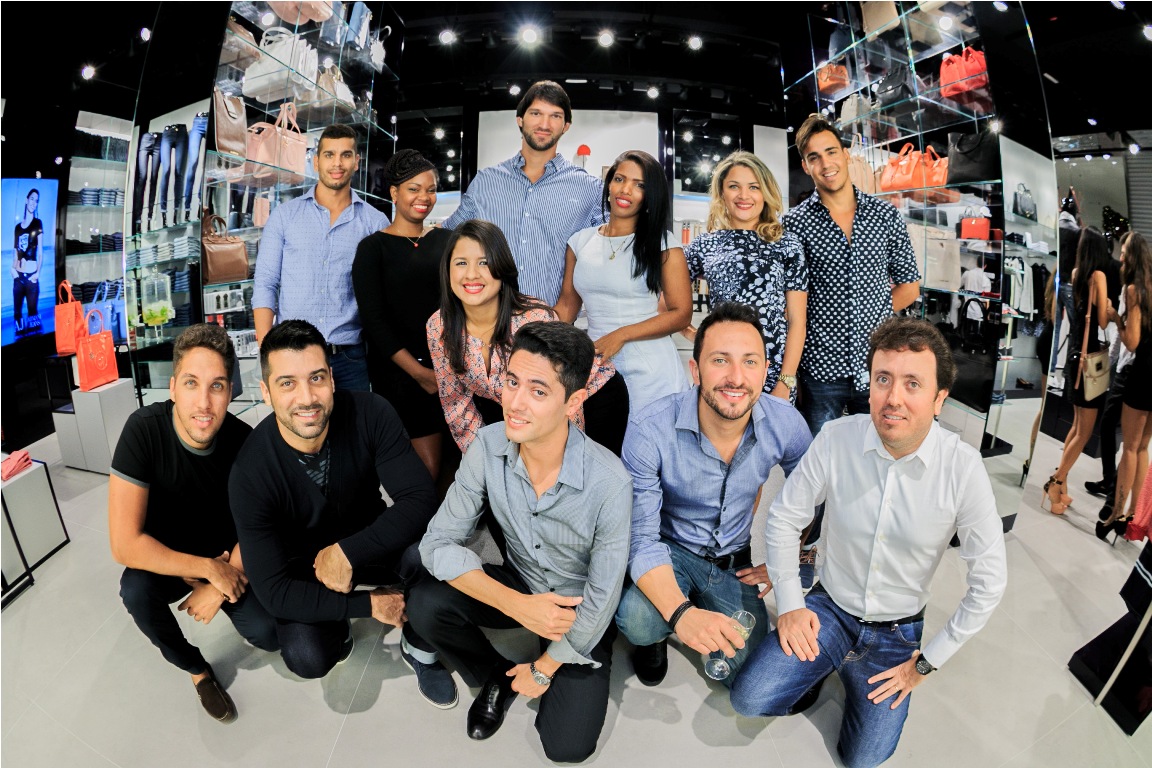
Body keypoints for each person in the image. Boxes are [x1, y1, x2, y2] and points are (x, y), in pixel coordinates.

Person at [731, 317, 1007, 768]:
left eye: (913, 383)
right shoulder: (838, 438)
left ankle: (835, 672)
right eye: (883, 379)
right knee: (749, 698)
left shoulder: (962, 468)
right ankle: (817, 667)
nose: (893, 397)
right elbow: (783, 519)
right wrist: (792, 604)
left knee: (863, 759)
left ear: (939, 399)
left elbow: (989, 583)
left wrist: (926, 663)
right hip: (830, 607)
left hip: (896, 632)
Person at [409, 322, 632, 761]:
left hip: (575, 611)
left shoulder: (610, 483)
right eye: (512, 382)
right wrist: (517, 605)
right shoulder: (487, 446)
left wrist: (545, 668)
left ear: (573, 402)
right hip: (520, 582)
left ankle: (540, 667)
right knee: (425, 602)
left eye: (538, 390)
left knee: (566, 747)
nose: (515, 403)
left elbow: (603, 597)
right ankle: (496, 674)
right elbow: (435, 544)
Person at [228, 320, 456, 707]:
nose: (306, 398)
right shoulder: (249, 472)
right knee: (307, 657)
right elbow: (275, 593)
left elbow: (420, 499)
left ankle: (418, 646)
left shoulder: (370, 412)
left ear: (332, 379)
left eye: (316, 378)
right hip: (307, 569)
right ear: (266, 392)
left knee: (434, 554)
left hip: (370, 542)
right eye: (287, 383)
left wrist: (347, 552)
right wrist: (367, 606)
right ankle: (337, 623)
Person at [615, 302, 812, 687]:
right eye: (720, 360)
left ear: (765, 371)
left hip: (733, 560)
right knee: (638, 620)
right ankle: (658, 633)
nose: (736, 377)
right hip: (670, 549)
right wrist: (681, 616)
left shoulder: (786, 424)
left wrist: (785, 561)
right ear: (696, 370)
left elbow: (813, 498)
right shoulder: (650, 428)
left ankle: (695, 605)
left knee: (746, 675)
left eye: (750, 362)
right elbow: (640, 538)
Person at [109, 324, 278, 723]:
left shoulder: (245, 443)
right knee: (135, 590)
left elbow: (263, 526)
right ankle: (196, 669)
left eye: (216, 386)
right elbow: (124, 544)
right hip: (170, 558)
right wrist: (204, 569)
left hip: (228, 556)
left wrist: (220, 581)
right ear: (172, 388)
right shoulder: (143, 431)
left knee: (269, 632)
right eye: (191, 383)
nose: (203, 403)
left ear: (230, 392)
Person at [783, 113, 920, 585]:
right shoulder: (795, 223)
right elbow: (792, 300)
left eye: (831, 152)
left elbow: (909, 284)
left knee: (877, 464)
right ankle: (805, 557)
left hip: (875, 370)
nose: (826, 164)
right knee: (812, 470)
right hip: (819, 369)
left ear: (846, 155)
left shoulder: (885, 216)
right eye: (814, 157)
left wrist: (874, 316)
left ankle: (862, 558)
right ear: (806, 165)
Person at [426, 219, 628, 456]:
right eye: (461, 263)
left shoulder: (533, 319)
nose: (471, 274)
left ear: (501, 268)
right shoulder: (439, 327)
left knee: (583, 473)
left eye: (484, 262)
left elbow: (561, 400)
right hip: (526, 407)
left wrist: (564, 462)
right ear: (447, 269)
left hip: (589, 398)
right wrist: (482, 460)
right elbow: (456, 404)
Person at [253, 124, 390, 391]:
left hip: (349, 358)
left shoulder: (375, 223)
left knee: (355, 420)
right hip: (293, 354)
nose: (337, 163)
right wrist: (266, 350)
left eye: (345, 155)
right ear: (316, 162)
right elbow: (266, 283)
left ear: (356, 162)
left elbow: (382, 297)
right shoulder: (284, 216)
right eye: (329, 155)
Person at [442, 80, 604, 306]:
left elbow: (613, 248)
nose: (544, 124)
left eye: (555, 116)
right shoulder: (485, 182)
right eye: (536, 113)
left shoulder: (590, 188)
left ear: (566, 125)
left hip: (551, 321)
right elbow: (447, 235)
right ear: (520, 119)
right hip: (488, 318)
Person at [556, 149, 693, 412]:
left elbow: (681, 314)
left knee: (648, 435)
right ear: (609, 184)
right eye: (619, 179)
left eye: (639, 185)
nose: (625, 190)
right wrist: (530, 333)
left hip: (651, 369)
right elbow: (566, 307)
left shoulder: (664, 245)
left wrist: (621, 335)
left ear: (650, 195)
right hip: (597, 363)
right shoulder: (580, 241)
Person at [353, 149, 452, 481]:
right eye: (414, 189)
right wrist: (420, 374)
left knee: (455, 468)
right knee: (425, 472)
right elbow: (374, 322)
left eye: (431, 189)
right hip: (401, 375)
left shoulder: (447, 241)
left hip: (449, 369)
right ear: (394, 193)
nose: (424, 197)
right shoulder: (372, 249)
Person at [684, 150, 807, 403]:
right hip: (721, 369)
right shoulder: (704, 245)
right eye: (734, 186)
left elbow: (797, 321)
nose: (744, 195)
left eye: (753, 187)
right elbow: (667, 305)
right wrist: (700, 339)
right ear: (722, 192)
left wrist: (785, 382)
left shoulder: (787, 244)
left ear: (765, 192)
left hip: (773, 371)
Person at [1044, 228, 1113, 515]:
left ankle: (1062, 486)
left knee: (1076, 426)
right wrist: (1110, 308)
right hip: (1090, 360)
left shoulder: (1075, 274)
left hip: (1075, 356)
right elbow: (1102, 321)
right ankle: (1055, 482)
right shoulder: (1099, 277)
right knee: (1084, 432)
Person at [1100, 231, 1152, 541]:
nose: (1120, 257)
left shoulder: (1134, 291)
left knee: (1130, 448)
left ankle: (1115, 515)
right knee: (1143, 447)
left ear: (1133, 257)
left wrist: (1115, 318)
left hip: (1142, 373)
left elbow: (1131, 342)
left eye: (1124, 252)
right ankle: (1132, 514)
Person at [12, 188, 44, 335]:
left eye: (36, 201)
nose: (34, 203)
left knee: (33, 317)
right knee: (17, 315)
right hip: (18, 279)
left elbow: (41, 252)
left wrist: (37, 273)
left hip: (32, 278)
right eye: (32, 199)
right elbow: (15, 252)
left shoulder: (38, 223)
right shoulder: (17, 228)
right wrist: (13, 270)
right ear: (26, 200)